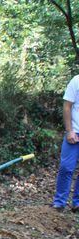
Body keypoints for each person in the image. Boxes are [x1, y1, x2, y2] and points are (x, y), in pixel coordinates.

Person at [52, 74, 79, 211]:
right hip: (75, 131)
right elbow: (67, 106)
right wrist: (69, 131)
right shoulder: (77, 80)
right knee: (66, 168)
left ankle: (77, 203)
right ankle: (59, 202)